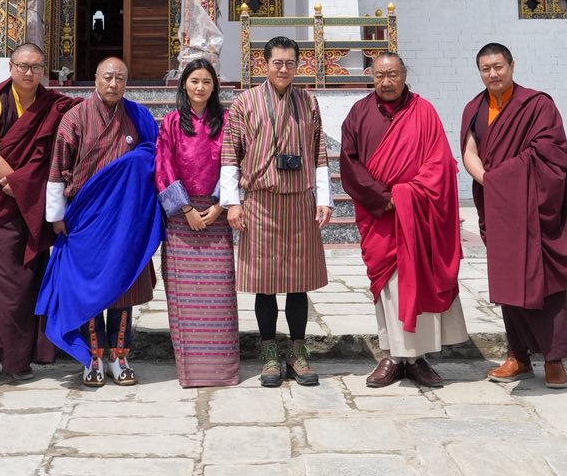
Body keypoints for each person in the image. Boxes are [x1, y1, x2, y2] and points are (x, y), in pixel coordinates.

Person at [461, 42, 567, 390]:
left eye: (498, 67)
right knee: (509, 278)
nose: (492, 74)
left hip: (536, 207)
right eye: (485, 69)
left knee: (547, 282)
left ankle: (554, 360)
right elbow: (469, 151)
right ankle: (517, 355)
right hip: (499, 207)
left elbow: (550, 155)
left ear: (511, 65)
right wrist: (491, 183)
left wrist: (500, 180)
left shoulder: (537, 105)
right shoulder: (474, 109)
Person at [338, 51, 466, 389]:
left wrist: (408, 195)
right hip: (380, 217)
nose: (386, 81)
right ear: (371, 77)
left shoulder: (423, 112)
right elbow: (349, 164)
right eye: (380, 76)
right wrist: (384, 198)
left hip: (418, 215)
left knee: (417, 280)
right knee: (388, 286)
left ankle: (417, 358)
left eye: (393, 74)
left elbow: (440, 163)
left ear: (404, 75)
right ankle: (393, 356)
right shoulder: (359, 114)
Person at [37, 57, 162, 387]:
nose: (113, 84)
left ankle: (119, 355)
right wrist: (57, 216)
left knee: (122, 287)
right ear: (95, 79)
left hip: (126, 221)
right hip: (87, 219)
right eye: (108, 77)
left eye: (120, 78)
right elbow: (57, 167)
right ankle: (93, 356)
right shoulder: (75, 118)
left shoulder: (139, 117)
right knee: (90, 289)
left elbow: (157, 158)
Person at [222, 34, 332, 388]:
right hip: (260, 202)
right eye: (276, 63)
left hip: (300, 201)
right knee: (264, 284)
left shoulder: (308, 102)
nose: (283, 69)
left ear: (298, 65)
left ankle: (298, 353)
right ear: (263, 65)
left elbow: (319, 153)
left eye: (289, 63)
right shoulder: (244, 103)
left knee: (300, 283)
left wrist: (324, 198)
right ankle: (269, 353)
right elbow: (229, 154)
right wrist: (232, 201)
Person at [0, 42, 76, 386]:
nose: (29, 73)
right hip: (0, 200)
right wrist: (17, 184)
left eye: (36, 67)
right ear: (11, 67)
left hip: (34, 204)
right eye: (23, 66)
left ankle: (22, 354)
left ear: (44, 70)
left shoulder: (53, 105)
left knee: (28, 278)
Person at [153, 58, 240, 387]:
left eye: (206, 81)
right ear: (184, 85)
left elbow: (235, 163)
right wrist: (185, 209)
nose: (200, 87)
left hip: (216, 216)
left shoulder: (228, 122)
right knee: (184, 297)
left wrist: (219, 205)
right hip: (182, 219)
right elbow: (163, 165)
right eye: (194, 81)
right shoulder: (172, 123)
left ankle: (222, 370)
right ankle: (190, 370)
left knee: (218, 296)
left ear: (214, 86)